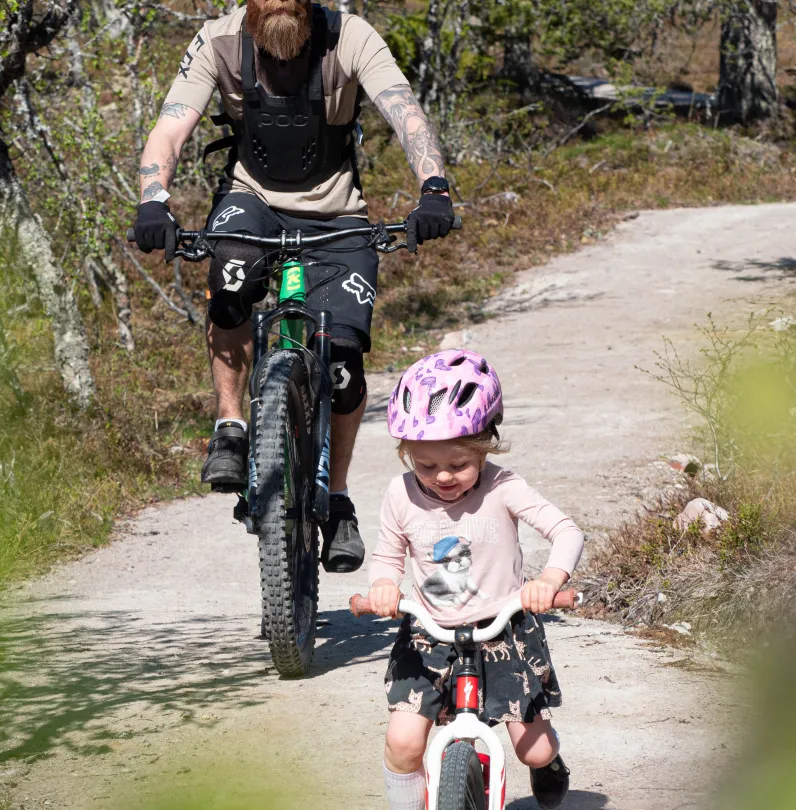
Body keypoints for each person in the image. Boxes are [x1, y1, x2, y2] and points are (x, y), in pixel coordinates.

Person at [131, 0, 457, 574]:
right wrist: (153, 201)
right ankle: (231, 426)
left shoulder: (349, 37)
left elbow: (403, 111)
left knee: (346, 361)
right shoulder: (219, 40)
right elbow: (172, 126)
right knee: (228, 281)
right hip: (250, 202)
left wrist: (433, 186)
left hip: (338, 214)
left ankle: (335, 495)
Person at [366, 349, 583, 810]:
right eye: (426, 465)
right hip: (429, 633)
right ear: (407, 454)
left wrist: (549, 578)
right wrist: (384, 586)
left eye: (460, 463)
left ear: (486, 444)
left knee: (534, 748)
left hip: (502, 629)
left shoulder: (504, 486)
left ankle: (550, 761)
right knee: (404, 743)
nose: (443, 476)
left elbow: (566, 531)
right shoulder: (399, 494)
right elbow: (387, 555)